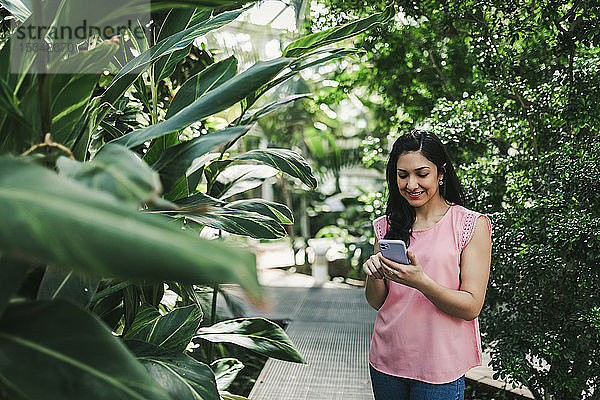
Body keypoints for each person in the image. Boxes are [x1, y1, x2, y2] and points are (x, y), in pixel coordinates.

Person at [363, 130, 492, 400]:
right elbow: (378, 302)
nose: (412, 184)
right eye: (403, 175)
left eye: (422, 174)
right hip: (387, 362)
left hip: (440, 368)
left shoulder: (470, 225)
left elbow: (471, 306)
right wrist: (374, 275)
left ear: (440, 173)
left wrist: (421, 282)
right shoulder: (386, 226)